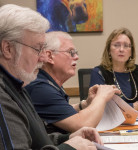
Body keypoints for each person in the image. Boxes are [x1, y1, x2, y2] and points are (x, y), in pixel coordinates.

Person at [0, 4, 104, 150]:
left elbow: (36, 139)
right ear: (8, 49)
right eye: (38, 49)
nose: (43, 57)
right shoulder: (3, 94)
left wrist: (68, 138)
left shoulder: (18, 85)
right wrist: (69, 148)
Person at [25, 31, 121, 134]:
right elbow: (83, 125)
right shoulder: (40, 88)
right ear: (49, 56)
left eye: (76, 53)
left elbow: (61, 112)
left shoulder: (48, 83)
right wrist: (101, 97)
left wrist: (85, 104)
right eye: (71, 52)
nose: (76, 57)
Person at [90, 27, 138, 112]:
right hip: (110, 123)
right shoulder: (99, 73)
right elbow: (98, 106)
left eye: (126, 46)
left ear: (131, 52)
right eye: (116, 45)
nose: (121, 49)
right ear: (109, 50)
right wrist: (133, 106)